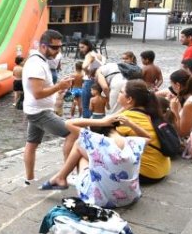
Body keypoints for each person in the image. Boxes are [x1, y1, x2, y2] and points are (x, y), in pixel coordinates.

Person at [41, 115, 148, 208]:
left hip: (99, 201)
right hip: (130, 198)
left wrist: (102, 122)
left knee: (79, 145)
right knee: (89, 154)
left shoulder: (98, 140)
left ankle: (61, 177)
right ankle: (60, 177)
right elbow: (148, 137)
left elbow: (68, 123)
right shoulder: (134, 142)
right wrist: (130, 124)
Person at [22, 30, 74, 185]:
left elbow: (42, 88)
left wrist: (59, 86)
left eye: (60, 47)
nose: (58, 51)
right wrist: (59, 86)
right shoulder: (36, 64)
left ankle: (29, 180)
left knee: (31, 144)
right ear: (43, 46)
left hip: (35, 110)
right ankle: (66, 175)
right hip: (40, 112)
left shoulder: (41, 60)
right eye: (55, 48)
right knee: (72, 133)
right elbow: (37, 93)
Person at [79, 38, 105, 117]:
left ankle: (87, 124)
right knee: (95, 105)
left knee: (86, 105)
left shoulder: (89, 55)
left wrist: (87, 72)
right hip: (98, 81)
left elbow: (84, 66)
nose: (81, 49)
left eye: (82, 47)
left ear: (88, 46)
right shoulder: (98, 54)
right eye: (80, 47)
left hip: (89, 82)